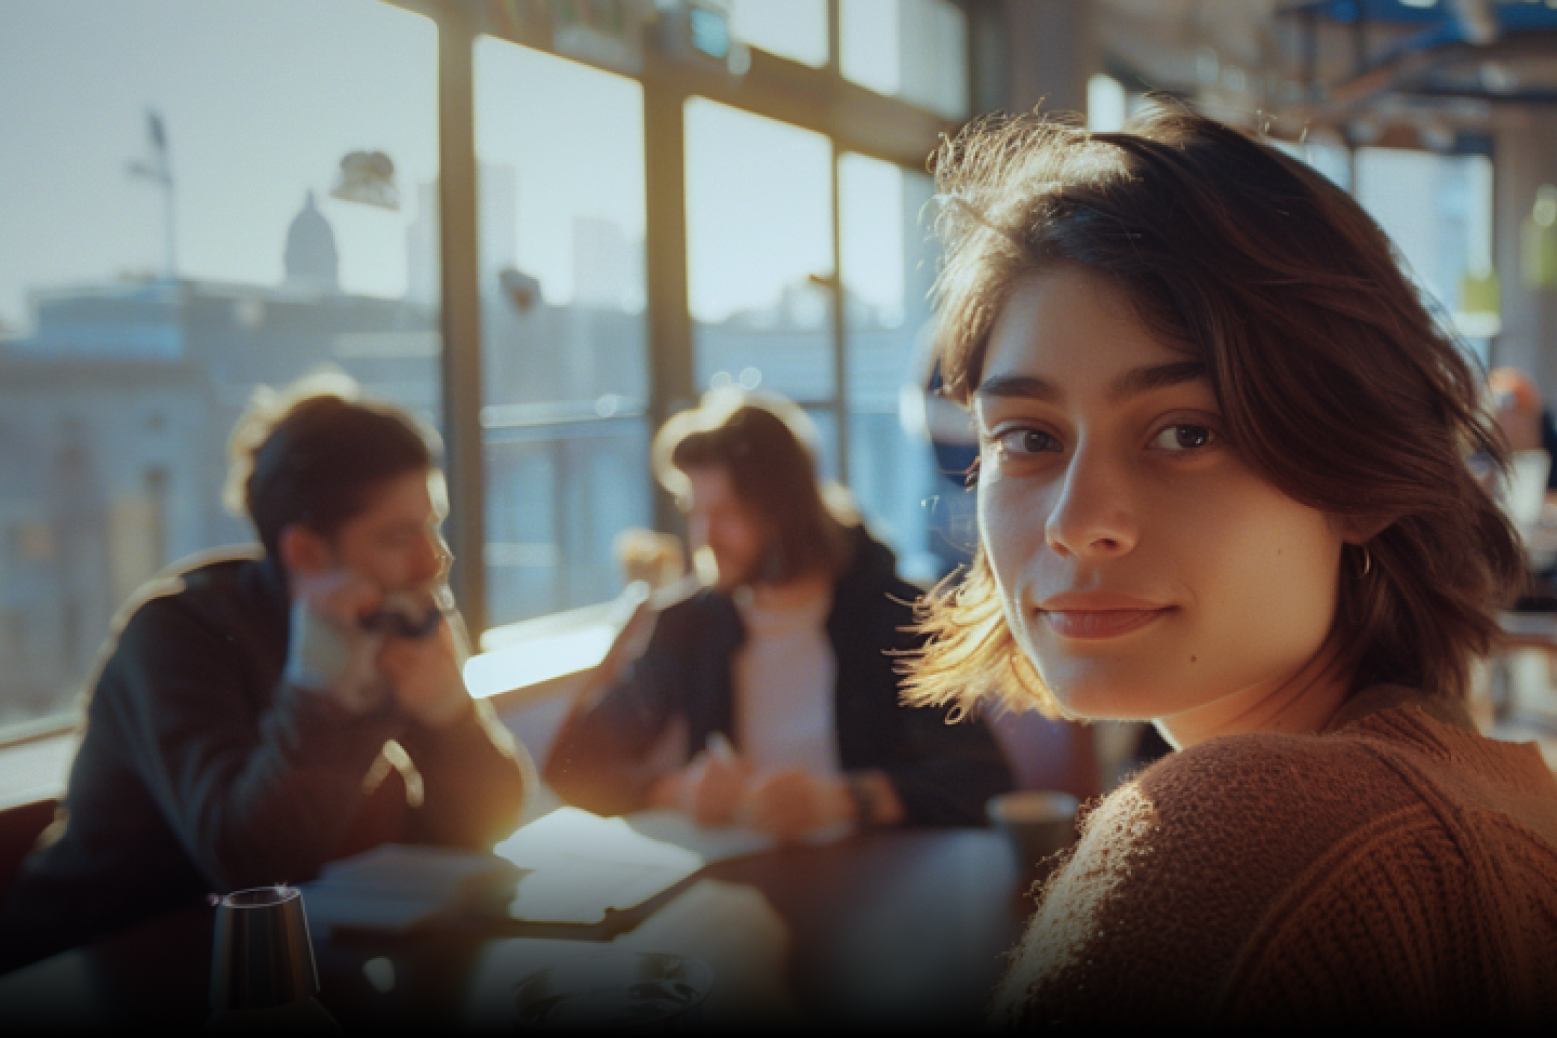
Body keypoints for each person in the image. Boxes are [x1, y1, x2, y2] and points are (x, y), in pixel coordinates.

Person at [903, 103, 1557, 1028]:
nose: (1078, 523)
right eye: (1029, 437)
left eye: (1185, 432)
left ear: (1360, 474)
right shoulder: (1502, 799)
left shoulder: (1248, 837)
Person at [0, 375, 529, 972]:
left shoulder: (380, 623)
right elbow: (250, 868)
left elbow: (488, 820)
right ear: (304, 552)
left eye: (433, 525)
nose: (434, 560)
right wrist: (318, 695)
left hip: (271, 964)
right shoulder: (177, 634)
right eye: (399, 536)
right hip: (88, 969)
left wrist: (451, 713)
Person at [544, 390, 1012, 839]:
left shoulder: (895, 614)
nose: (704, 537)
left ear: (783, 511)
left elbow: (983, 781)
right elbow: (570, 763)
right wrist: (676, 790)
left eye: (725, 514)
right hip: (738, 892)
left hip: (875, 882)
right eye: (695, 512)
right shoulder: (688, 624)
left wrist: (845, 799)